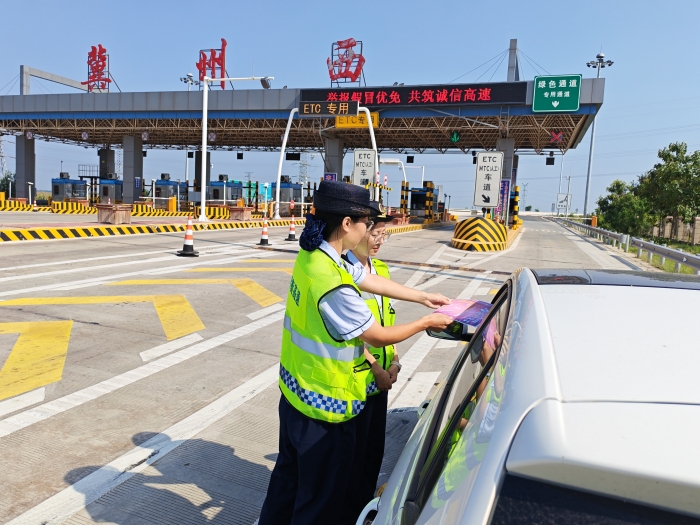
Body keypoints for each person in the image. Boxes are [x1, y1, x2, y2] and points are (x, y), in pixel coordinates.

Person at [258, 181, 452, 525]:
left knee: (287, 486)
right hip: (325, 413)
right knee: (318, 504)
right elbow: (376, 336)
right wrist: (425, 322)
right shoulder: (332, 283)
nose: (369, 230)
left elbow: (367, 279)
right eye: (367, 223)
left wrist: (422, 297)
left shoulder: (315, 255)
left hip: (295, 397)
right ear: (347, 224)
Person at [341, 204, 399, 519]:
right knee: (352, 459)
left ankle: (363, 510)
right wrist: (376, 368)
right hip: (359, 381)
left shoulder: (382, 271)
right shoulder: (343, 272)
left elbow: (388, 320)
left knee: (373, 455)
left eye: (383, 234)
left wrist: (394, 362)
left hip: (381, 382)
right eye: (374, 233)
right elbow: (349, 333)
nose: (378, 240)